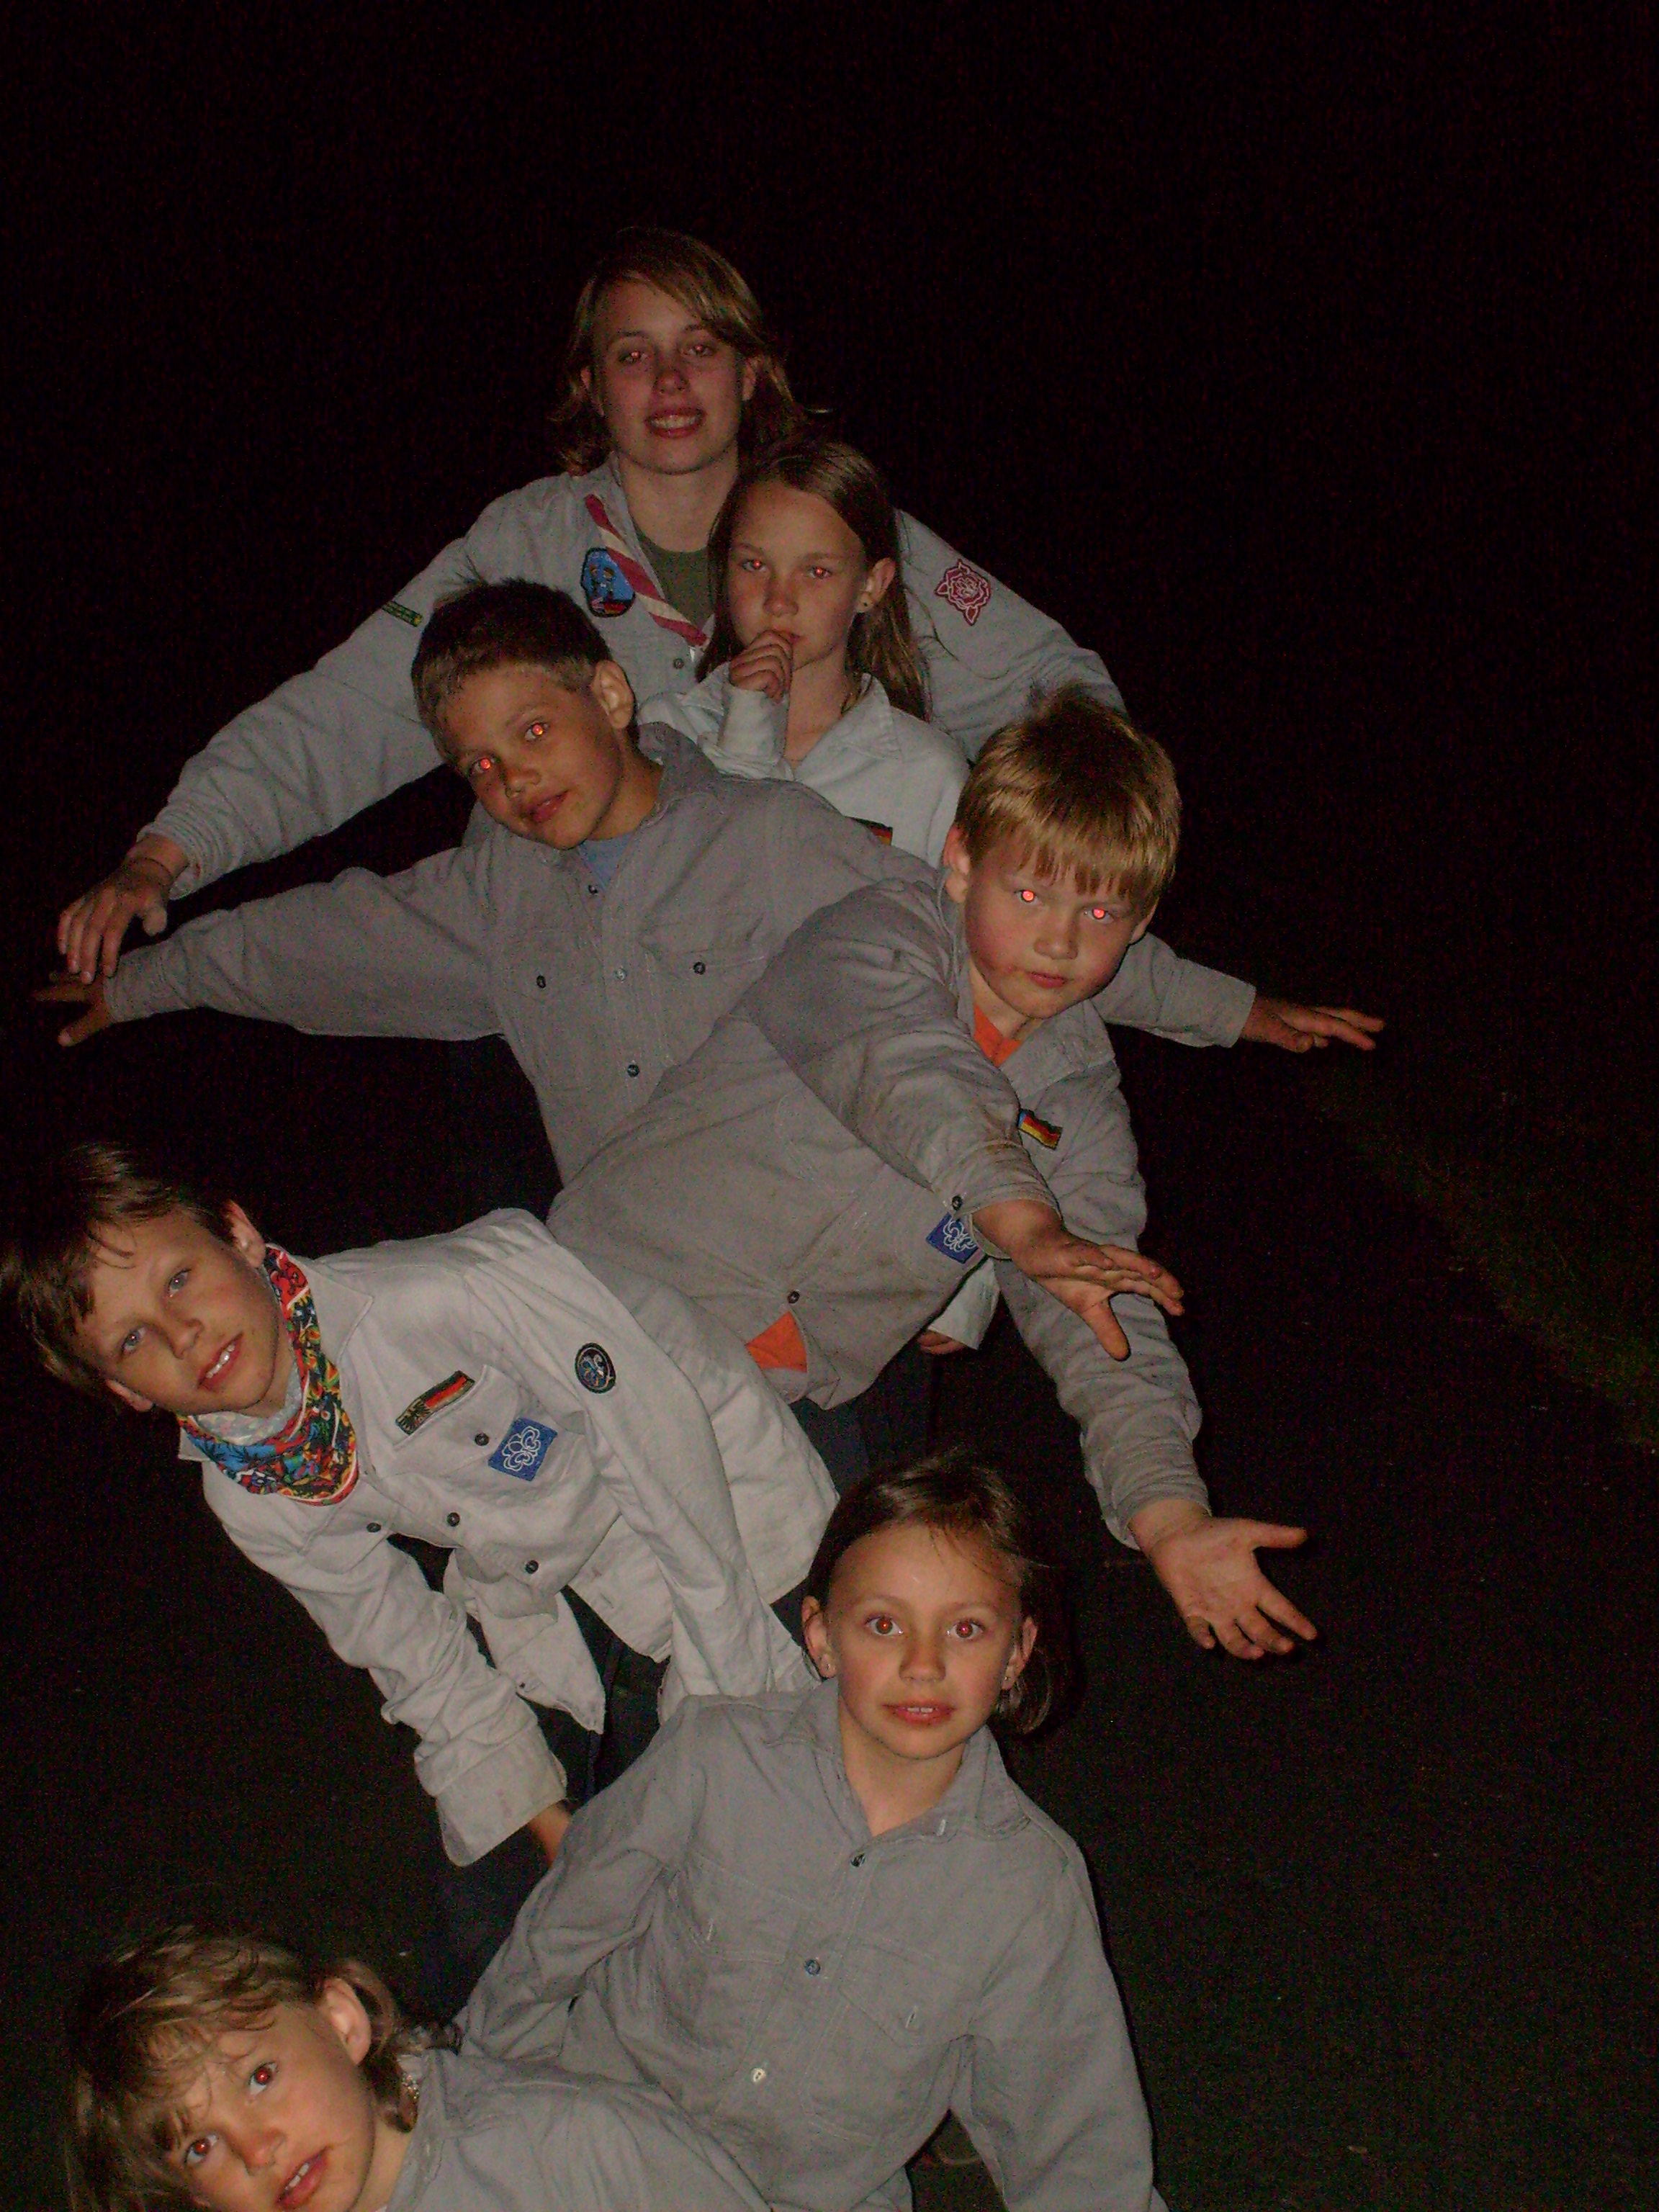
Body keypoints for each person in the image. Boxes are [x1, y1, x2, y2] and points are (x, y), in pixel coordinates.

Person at [56, 228, 1122, 986]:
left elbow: (1055, 688)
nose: (671, 381)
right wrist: (171, 850)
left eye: (701, 348)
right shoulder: (524, 547)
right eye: (633, 354)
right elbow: (349, 711)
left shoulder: (842, 527)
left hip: (804, 1000)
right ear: (590, 387)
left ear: (753, 373)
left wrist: (1089, 864)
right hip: (561, 993)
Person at [551, 689, 1382, 1658]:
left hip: (773, 1391)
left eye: (1100, 911)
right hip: (603, 1302)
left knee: (802, 1665)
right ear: (959, 863)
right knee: (560, 1631)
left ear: (1140, 923)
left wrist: (1171, 1513)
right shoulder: (871, 938)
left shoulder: (1078, 1100)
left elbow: (1104, 1314)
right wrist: (1023, 1220)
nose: (1060, 942)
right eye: (1028, 894)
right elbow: (915, 1074)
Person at [2, 1143, 834, 1993]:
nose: (182, 1335)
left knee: (742, 1840)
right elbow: (407, 1650)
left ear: (239, 1234)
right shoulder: (250, 1486)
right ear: (128, 1392)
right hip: (546, 1579)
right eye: (132, 1339)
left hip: (719, 1510)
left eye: (179, 1279)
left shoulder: (438, 1295)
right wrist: (550, 1829)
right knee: (502, 1944)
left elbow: (659, 1439)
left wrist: (721, 1696)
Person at [459, 1453, 1172, 2212]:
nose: (923, 1664)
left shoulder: (1029, 1890)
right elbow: (558, 1938)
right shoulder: (713, 1757)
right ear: (822, 1637)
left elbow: (1076, 2145)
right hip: (606, 2154)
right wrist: (495, 2111)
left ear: (1016, 1654)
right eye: (883, 1624)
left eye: (966, 1629)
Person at [66, 1924, 769, 2212]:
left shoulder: (567, 2149)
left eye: (260, 2078)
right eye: (200, 2146)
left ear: (342, 2022)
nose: (257, 2150)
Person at [644, 433, 970, 863]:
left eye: (816, 571)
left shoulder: (927, 774)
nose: (779, 601)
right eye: (754, 565)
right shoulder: (665, 732)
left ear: (871, 585)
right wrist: (744, 734)